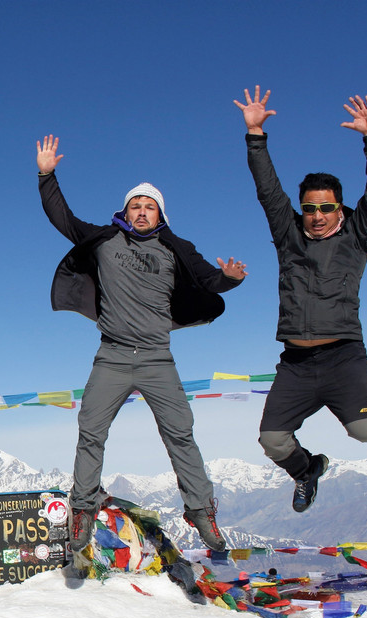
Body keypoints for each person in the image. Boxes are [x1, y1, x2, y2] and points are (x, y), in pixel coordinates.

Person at [37, 135, 247, 556]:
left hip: (157, 358)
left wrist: (230, 279)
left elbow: (209, 280)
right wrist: (46, 175)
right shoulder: (103, 241)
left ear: (160, 215)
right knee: (90, 431)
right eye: (136, 205)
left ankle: (201, 512)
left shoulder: (177, 249)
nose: (142, 211)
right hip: (111, 356)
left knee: (180, 434)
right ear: (124, 211)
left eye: (149, 206)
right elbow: (63, 219)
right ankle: (82, 510)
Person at [234, 87, 367, 513]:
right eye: (309, 207)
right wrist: (255, 135)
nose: (316, 215)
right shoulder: (288, 234)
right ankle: (307, 470)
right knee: (272, 440)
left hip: (343, 357)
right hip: (295, 362)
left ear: (340, 209)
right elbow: (268, 192)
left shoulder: (358, 236)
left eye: (325, 207)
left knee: (366, 430)